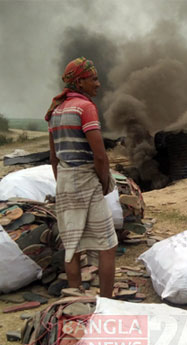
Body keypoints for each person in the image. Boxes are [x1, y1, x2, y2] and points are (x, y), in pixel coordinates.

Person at [45, 57, 117, 297]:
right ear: (80, 81)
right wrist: (105, 182)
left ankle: (74, 299)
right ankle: (107, 302)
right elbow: (99, 155)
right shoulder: (85, 108)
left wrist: (61, 184)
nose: (98, 84)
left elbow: (54, 157)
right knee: (107, 244)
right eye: (93, 79)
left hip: (64, 180)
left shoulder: (55, 110)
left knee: (71, 245)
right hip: (87, 179)